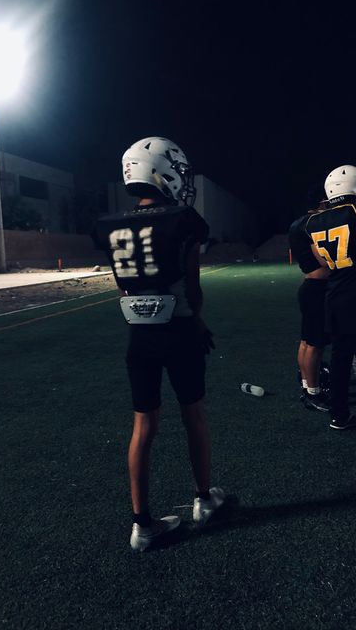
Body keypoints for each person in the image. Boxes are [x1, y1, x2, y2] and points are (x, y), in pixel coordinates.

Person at [91, 137, 224, 551]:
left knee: (143, 426)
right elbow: (192, 285)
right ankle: (203, 500)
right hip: (179, 330)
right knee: (193, 416)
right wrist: (197, 320)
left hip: (140, 338)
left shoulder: (110, 224)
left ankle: (142, 525)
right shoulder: (183, 219)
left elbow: (122, 289)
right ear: (161, 172)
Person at [300, 165, 356, 429]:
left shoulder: (314, 221)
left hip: (334, 296)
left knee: (341, 357)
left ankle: (339, 414)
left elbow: (322, 258)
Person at [289, 189, 331, 412]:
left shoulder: (297, 224)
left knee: (307, 342)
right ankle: (313, 393)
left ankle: (308, 387)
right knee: (315, 344)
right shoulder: (313, 223)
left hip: (309, 286)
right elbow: (323, 259)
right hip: (317, 288)